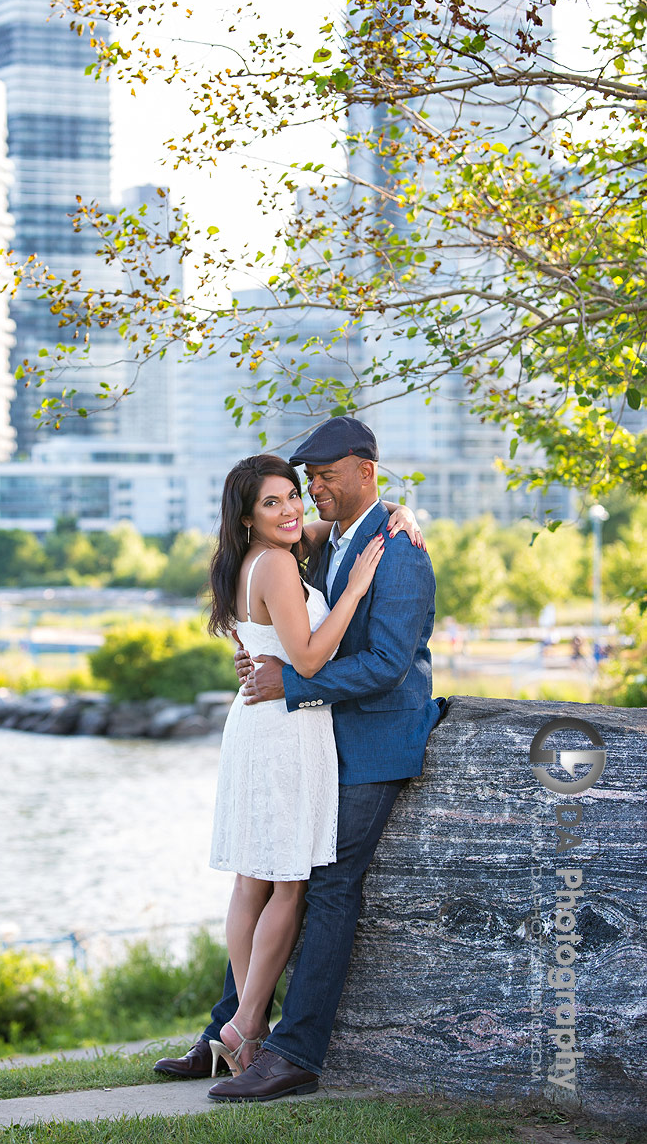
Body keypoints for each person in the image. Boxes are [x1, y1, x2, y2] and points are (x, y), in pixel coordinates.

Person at [154, 416, 444, 1100]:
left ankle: (294, 1053)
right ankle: (231, 1027)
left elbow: (387, 662)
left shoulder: (396, 549)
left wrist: (293, 679)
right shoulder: (324, 538)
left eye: (324, 478)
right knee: (270, 870)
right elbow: (275, 573)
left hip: (374, 741)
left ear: (367, 473)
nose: (311, 491)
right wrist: (273, 659)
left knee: (327, 887)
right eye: (304, 480)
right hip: (313, 735)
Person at [202, 453, 419, 1079]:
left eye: (294, 495)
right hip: (286, 729)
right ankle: (247, 1026)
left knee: (252, 878)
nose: (293, 508)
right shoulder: (274, 563)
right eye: (272, 503)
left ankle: (240, 1025)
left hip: (255, 725)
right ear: (247, 518)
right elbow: (310, 658)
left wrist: (399, 512)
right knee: (290, 881)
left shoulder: (256, 556)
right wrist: (352, 592)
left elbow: (343, 527)